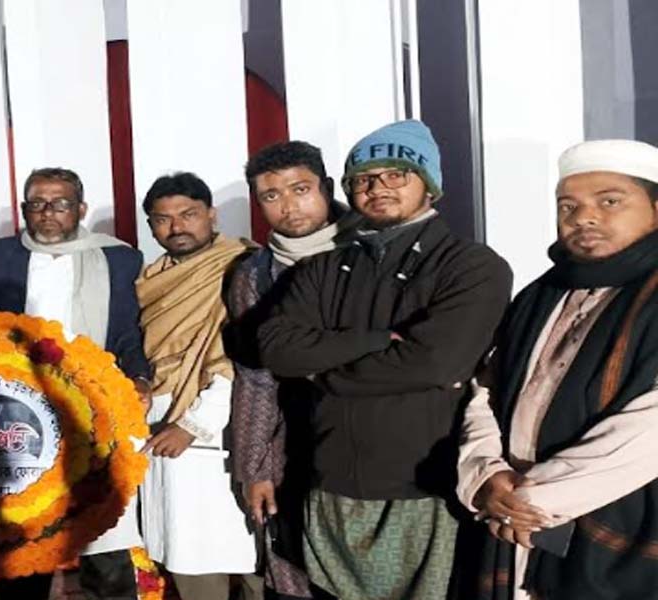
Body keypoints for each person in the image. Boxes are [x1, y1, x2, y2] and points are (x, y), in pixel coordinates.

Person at [255, 120, 513, 599]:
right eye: (364, 180)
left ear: (429, 184)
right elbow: (277, 348)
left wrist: (322, 371)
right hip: (329, 485)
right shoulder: (322, 268)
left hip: (422, 490)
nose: (378, 188)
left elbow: (437, 364)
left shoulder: (472, 265)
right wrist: (377, 341)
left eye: (396, 174)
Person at [457, 139, 658, 600]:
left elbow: (649, 433)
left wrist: (529, 500)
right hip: (513, 516)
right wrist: (483, 474)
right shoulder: (539, 293)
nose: (583, 217)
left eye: (609, 201)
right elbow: (484, 389)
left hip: (613, 526)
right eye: (568, 206)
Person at [0, 167, 152, 599]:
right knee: (27, 535)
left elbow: (127, 332)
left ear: (81, 208)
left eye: (60, 203)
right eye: (37, 204)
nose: (47, 213)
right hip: (18, 413)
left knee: (104, 534)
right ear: (24, 210)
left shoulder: (119, 259)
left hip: (96, 409)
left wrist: (140, 378)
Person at [227, 141, 355, 599]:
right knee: (292, 567)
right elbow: (254, 379)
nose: (288, 206)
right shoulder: (254, 274)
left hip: (372, 440)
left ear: (326, 187)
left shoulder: (369, 251)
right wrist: (254, 468)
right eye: (271, 195)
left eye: (300, 189)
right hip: (292, 444)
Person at [134, 172, 260, 600]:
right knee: (187, 558)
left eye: (188, 214)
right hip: (161, 422)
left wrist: (194, 424)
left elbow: (241, 359)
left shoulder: (243, 267)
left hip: (224, 423)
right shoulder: (151, 277)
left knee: (248, 558)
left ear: (212, 215)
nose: (176, 227)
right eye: (163, 219)